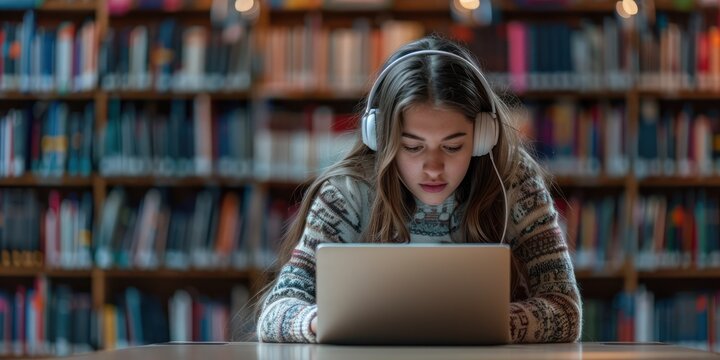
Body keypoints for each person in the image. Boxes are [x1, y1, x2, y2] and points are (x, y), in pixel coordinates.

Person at [252, 35, 582, 343]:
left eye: (453, 147)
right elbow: (275, 312)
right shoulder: (348, 191)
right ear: (379, 138)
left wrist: (491, 322)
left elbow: (565, 309)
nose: (433, 167)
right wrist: (321, 321)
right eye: (412, 147)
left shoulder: (513, 180)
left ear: (483, 137)